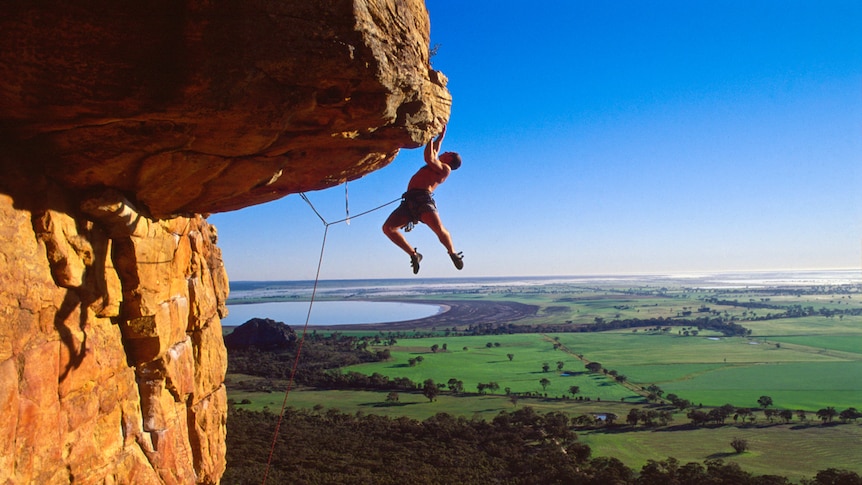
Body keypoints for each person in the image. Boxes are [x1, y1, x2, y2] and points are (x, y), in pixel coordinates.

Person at [383, 123, 463, 274]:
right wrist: (440, 136)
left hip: (423, 200)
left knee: (438, 229)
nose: (444, 151)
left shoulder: (445, 169)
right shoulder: (438, 164)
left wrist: (430, 136)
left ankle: (452, 252)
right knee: (388, 228)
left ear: (450, 159)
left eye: (448, 152)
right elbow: (436, 150)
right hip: (409, 201)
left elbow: (429, 157)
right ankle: (414, 254)